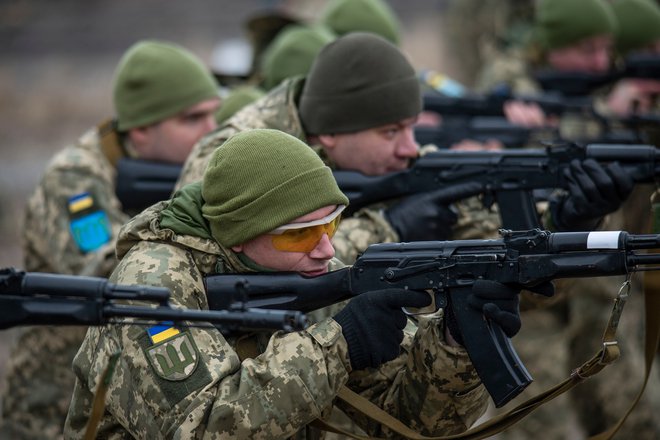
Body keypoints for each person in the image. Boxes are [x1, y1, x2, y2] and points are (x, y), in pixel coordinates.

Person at [62, 128, 538, 438]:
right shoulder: (153, 281)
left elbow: (413, 424)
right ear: (240, 236)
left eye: (330, 225)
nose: (327, 249)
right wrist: (340, 343)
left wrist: (455, 341)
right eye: (302, 234)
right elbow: (203, 426)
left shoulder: (308, 274)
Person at [0, 40, 220, 440]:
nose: (211, 130)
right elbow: (106, 266)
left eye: (214, 115)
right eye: (192, 118)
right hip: (54, 406)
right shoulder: (73, 181)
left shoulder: (177, 164)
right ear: (141, 128)